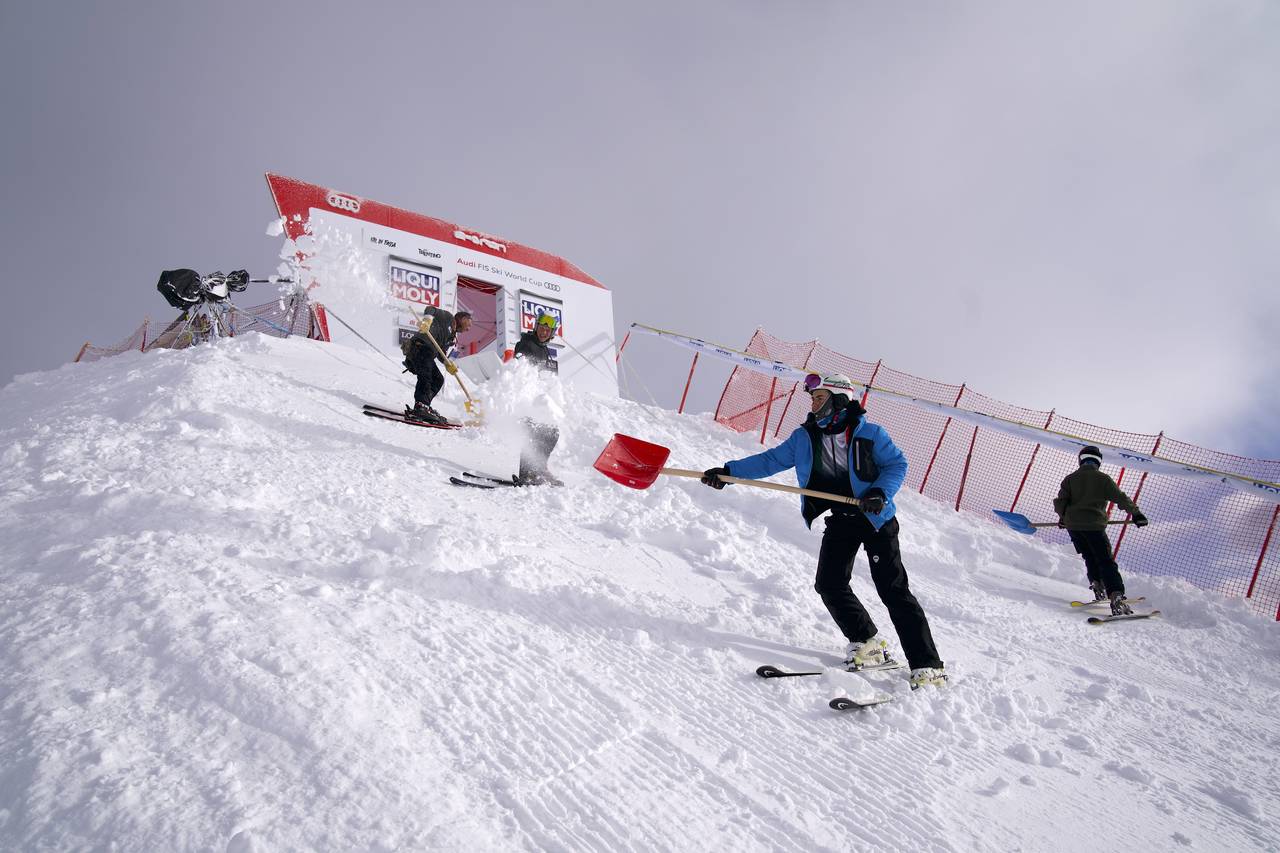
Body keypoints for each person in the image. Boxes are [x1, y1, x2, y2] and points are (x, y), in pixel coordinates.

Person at [701, 373, 947, 689]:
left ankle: (928, 666)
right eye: (813, 398)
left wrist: (879, 493)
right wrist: (730, 472)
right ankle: (867, 643)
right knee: (829, 583)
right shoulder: (805, 437)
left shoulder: (869, 433)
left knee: (892, 590)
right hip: (842, 517)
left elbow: (897, 465)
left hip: (875, 518)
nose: (814, 404)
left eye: (820, 398)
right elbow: (771, 460)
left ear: (839, 399)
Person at [1053, 445, 1149, 615]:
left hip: (1074, 527)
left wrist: (1064, 518)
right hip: (1093, 526)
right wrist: (1136, 513)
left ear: (1081, 460)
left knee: (1089, 556)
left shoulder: (1070, 479)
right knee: (1105, 560)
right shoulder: (1103, 479)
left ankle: (1097, 584)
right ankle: (1116, 596)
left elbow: (1061, 503)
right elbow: (1121, 498)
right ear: (1098, 462)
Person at [511, 312, 562, 485]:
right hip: (525, 399)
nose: (544, 332)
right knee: (531, 433)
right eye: (541, 328)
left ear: (552, 333)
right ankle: (526, 474)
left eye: (548, 330)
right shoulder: (526, 344)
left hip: (539, 400)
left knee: (552, 433)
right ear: (535, 327)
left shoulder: (544, 350)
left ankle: (539, 467)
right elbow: (520, 367)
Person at [402, 307, 471, 423]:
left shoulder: (451, 337)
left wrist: (448, 364)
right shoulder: (447, 317)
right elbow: (430, 309)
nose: (468, 329)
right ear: (462, 319)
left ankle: (425, 406)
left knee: (438, 379)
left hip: (427, 354)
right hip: (419, 347)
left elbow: (441, 353)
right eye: (468, 324)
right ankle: (420, 406)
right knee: (426, 376)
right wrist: (427, 320)